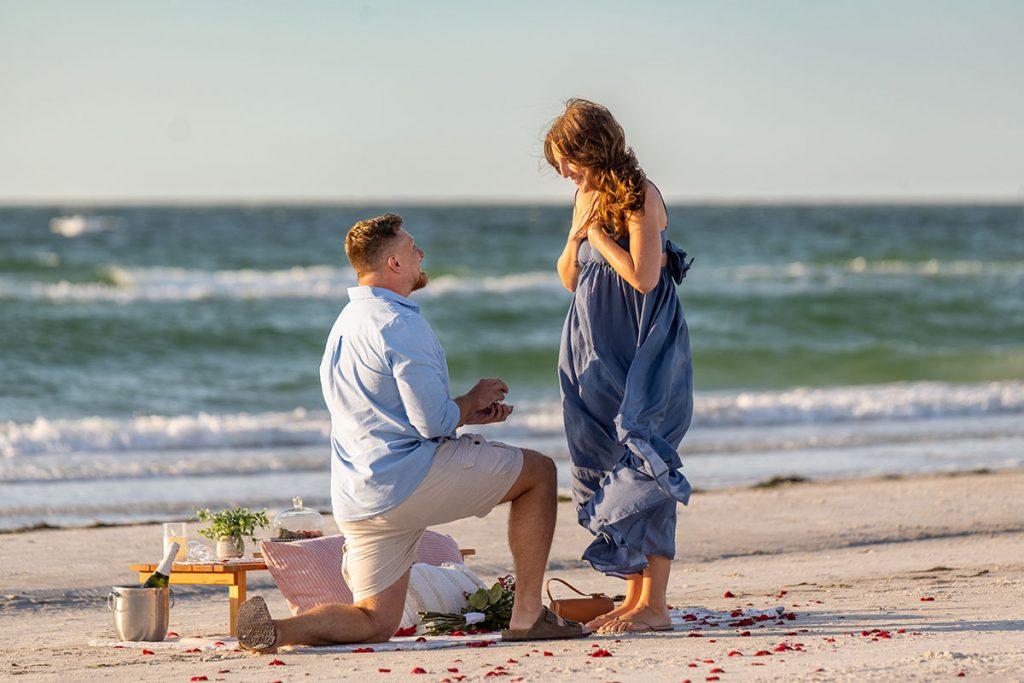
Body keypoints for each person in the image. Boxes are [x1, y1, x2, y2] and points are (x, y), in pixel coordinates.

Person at [234, 213, 588, 651]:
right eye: (412, 248)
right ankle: (528, 615)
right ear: (394, 264)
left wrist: (467, 413)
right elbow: (432, 422)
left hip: (359, 497)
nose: (421, 254)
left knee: (374, 620)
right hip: (408, 480)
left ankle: (278, 631)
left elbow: (389, 413)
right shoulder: (399, 323)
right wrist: (471, 398)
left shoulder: (346, 323)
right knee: (538, 473)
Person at [545, 99, 695, 634]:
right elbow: (569, 276)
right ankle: (632, 601)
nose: (564, 172)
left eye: (569, 160)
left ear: (592, 147)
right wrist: (576, 234)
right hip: (590, 344)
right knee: (603, 458)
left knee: (643, 460)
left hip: (640, 345)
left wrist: (598, 235)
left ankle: (654, 605)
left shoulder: (640, 194)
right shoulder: (584, 196)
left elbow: (645, 277)